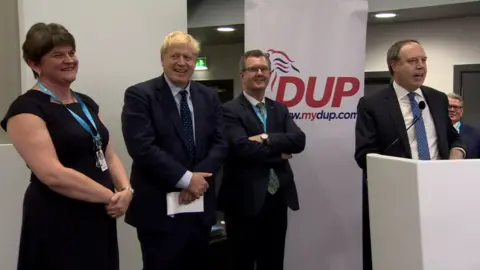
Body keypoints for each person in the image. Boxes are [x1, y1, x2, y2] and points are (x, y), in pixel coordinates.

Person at [0, 23, 132, 270]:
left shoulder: (87, 103)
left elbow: (108, 153)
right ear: (34, 63)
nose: (69, 60)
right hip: (57, 215)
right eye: (58, 54)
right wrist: (113, 197)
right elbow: (53, 175)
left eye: (71, 52)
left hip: (98, 212)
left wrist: (126, 190)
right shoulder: (25, 108)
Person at [354, 39, 465, 270]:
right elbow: (364, 153)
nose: (421, 66)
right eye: (413, 61)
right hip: (395, 197)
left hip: (439, 193)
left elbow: (452, 137)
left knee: (437, 255)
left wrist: (457, 152)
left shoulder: (437, 98)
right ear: (394, 65)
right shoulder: (372, 104)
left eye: (424, 60)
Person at [121, 31, 228, 270]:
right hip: (158, 212)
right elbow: (142, 147)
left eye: (188, 57)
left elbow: (221, 143)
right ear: (162, 59)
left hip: (199, 208)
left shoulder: (209, 96)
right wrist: (187, 179)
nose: (182, 63)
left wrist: (197, 180)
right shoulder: (140, 95)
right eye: (175, 56)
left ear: (195, 61)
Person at [217, 49, 306, 270]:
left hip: (278, 199)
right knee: (241, 262)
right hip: (243, 201)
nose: (259, 73)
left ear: (270, 73)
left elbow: (299, 141)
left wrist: (265, 138)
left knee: (273, 262)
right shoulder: (228, 110)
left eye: (264, 69)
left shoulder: (280, 109)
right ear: (242, 75)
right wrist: (279, 151)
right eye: (253, 69)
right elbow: (240, 148)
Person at [448, 93, 480, 158]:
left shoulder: (476, 134)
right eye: (449, 106)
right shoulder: (434, 131)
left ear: (462, 111)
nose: (452, 110)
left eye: (456, 107)